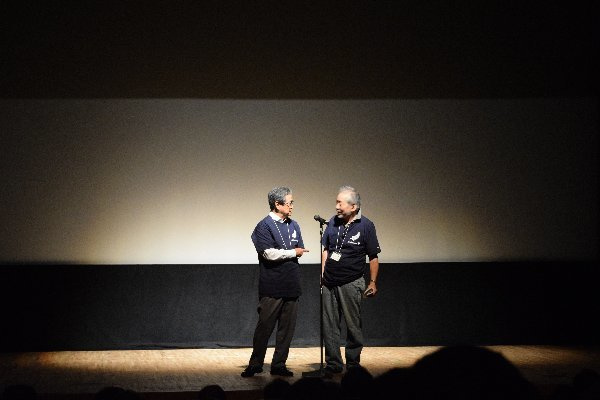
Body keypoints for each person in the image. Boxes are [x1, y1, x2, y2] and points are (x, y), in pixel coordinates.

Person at [241, 186, 309, 378]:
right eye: (289, 203)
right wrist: (292, 252)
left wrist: (294, 252)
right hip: (272, 285)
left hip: (291, 284)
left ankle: (279, 364)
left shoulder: (294, 225)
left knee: (286, 330)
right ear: (277, 204)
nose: (292, 206)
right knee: (264, 327)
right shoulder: (263, 226)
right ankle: (255, 364)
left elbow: (300, 249)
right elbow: (268, 254)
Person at [321, 185, 380, 374]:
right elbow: (326, 250)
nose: (336, 206)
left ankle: (353, 364)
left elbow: (373, 256)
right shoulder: (332, 222)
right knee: (330, 325)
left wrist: (372, 282)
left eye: (340, 203)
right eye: (336, 202)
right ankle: (333, 364)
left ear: (353, 207)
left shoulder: (366, 225)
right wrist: (322, 276)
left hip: (351, 282)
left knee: (353, 325)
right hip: (329, 282)